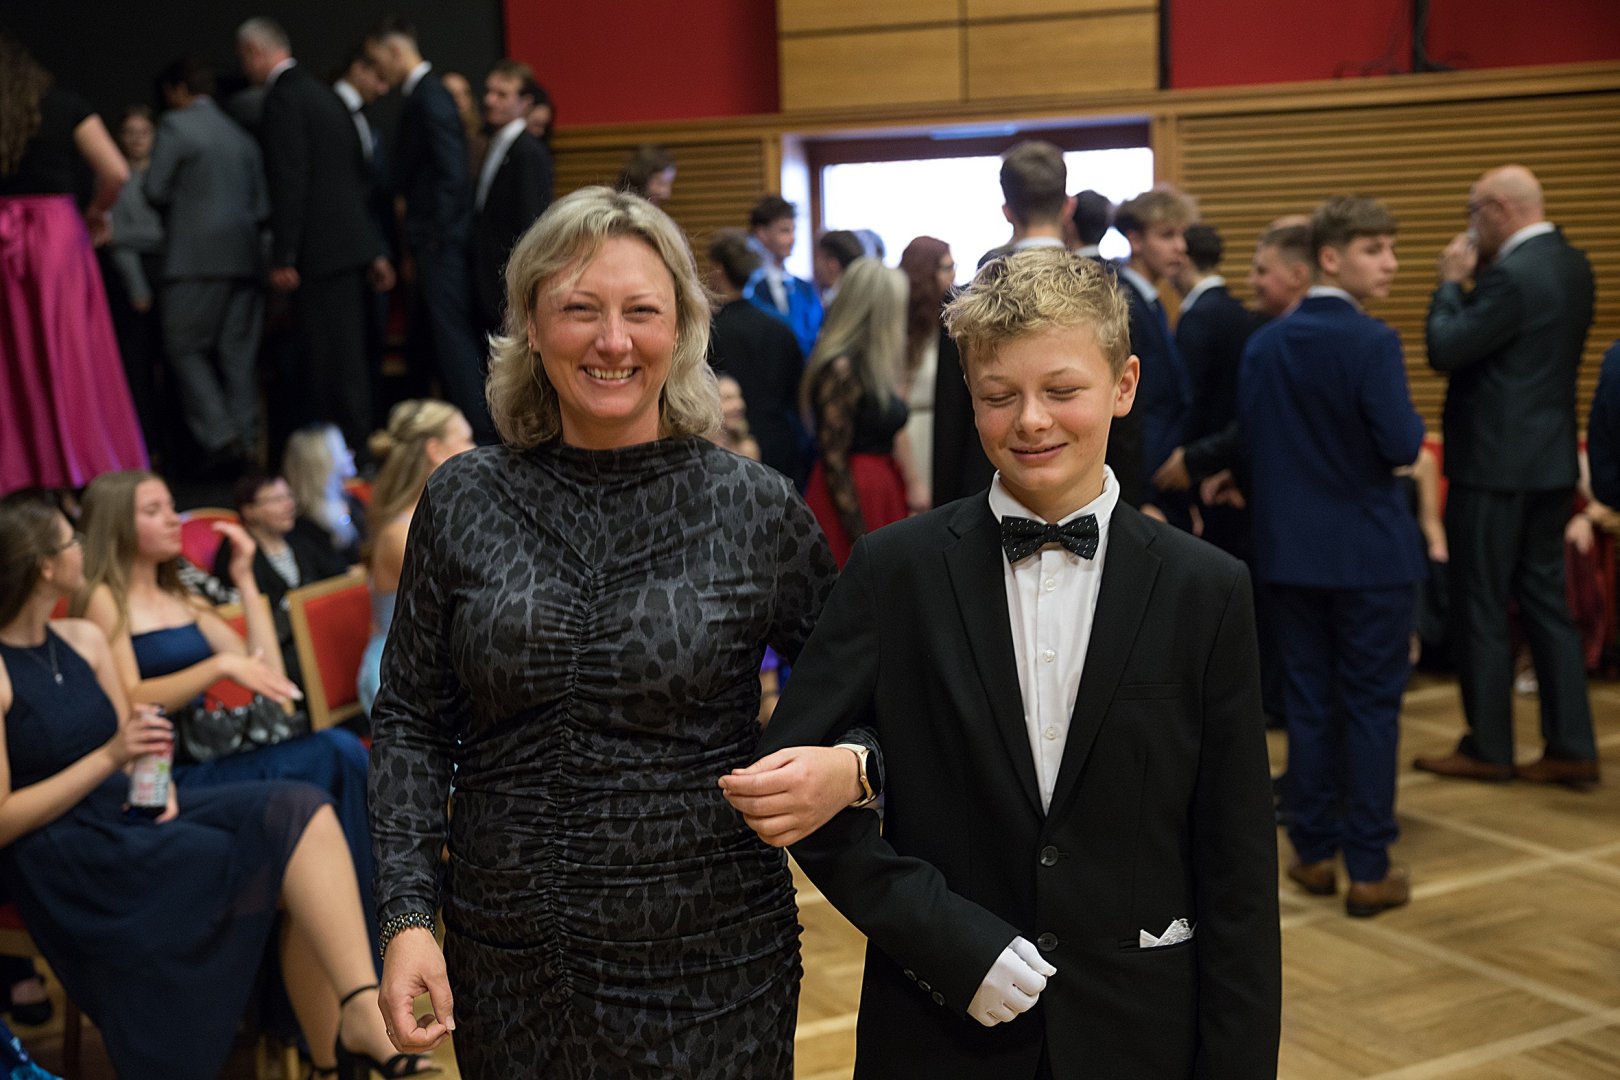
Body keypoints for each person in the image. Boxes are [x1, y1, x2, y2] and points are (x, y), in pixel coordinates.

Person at [723, 248, 1280, 1078]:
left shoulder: (1208, 588)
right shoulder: (895, 571)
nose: (1031, 421)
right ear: (968, 394)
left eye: (1063, 390)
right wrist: (941, 936)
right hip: (937, 1030)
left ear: (1124, 385)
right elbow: (791, 785)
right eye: (998, 396)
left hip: (1141, 1030)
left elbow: (1239, 866)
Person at [369, 186, 862, 1076]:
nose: (612, 341)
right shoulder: (463, 498)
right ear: (530, 323)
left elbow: (866, 698)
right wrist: (407, 917)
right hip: (506, 967)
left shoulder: (754, 508)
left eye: (641, 311)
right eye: (579, 310)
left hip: (711, 966)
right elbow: (409, 719)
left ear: (682, 328)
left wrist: (849, 769)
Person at [0, 491, 434, 1080]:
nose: (81, 547)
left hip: (130, 809)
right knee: (293, 827)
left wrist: (148, 780)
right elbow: (5, 817)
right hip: (66, 854)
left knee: (304, 809)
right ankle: (328, 1047)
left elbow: (134, 741)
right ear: (44, 566)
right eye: (68, 540)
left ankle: (351, 1020)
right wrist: (112, 756)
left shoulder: (81, 638)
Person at [72, 471, 380, 945]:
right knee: (336, 754)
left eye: (170, 506)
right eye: (153, 511)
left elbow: (265, 671)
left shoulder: (179, 594)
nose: (173, 520)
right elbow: (129, 696)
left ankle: (358, 928)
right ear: (116, 525)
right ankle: (361, 935)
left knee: (339, 755)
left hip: (213, 752)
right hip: (167, 769)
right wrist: (216, 668)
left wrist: (244, 579)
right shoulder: (102, 599)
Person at [1239, 196, 1424, 916]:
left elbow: (1255, 450)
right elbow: (1402, 444)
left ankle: (1313, 854)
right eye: (1375, 250)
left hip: (1290, 557)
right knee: (1372, 709)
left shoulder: (1266, 345)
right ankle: (1369, 867)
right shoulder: (1373, 343)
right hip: (1372, 557)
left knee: (1309, 705)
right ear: (1330, 257)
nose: (1391, 264)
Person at [1416, 164, 1600, 787]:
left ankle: (1489, 747)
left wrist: (1450, 285)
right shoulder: (1573, 264)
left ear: (1498, 209)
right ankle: (1572, 744)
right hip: (1550, 464)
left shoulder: (1512, 276)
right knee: (1548, 605)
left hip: (1494, 468)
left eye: (1473, 212)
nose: (1470, 227)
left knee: (1482, 605)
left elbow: (1446, 347)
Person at [239, 17, 394, 466]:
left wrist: (284, 253)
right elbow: (353, 181)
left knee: (327, 363)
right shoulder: (326, 97)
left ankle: (343, 458)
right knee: (347, 359)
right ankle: (356, 449)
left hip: (319, 253)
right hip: (348, 248)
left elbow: (289, 178)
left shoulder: (284, 98)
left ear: (254, 53)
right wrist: (371, 248)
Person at [0, 30, 146, 494]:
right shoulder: (62, 104)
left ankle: (22, 471)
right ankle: (83, 463)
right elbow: (116, 171)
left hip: (5, 233)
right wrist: (97, 211)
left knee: (12, 357)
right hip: (56, 234)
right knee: (71, 349)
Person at [366, 15, 493, 443]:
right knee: (434, 341)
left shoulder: (428, 96)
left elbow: (451, 173)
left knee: (451, 340)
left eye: (378, 59)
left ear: (394, 51)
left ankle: (479, 437)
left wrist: (437, 235)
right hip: (435, 241)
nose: (378, 69)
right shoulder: (425, 95)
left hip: (439, 243)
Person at [145, 57, 268, 477]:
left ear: (177, 90)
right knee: (238, 355)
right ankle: (246, 441)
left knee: (182, 346)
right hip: (245, 259)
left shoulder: (175, 125)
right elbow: (261, 206)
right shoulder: (242, 136)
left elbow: (154, 188)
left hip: (192, 261)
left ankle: (220, 436)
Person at [801, 258, 924, 566]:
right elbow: (833, 457)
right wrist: (859, 535)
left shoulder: (872, 365)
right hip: (852, 497)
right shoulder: (842, 369)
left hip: (879, 487)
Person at [354, 400, 474, 717]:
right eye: (466, 439)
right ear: (435, 450)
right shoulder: (399, 533)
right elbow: (464, 598)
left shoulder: (448, 511)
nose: (474, 449)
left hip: (443, 659)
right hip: (401, 669)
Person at [213, 472, 351, 692]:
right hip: (275, 652)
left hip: (320, 636)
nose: (289, 505)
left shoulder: (302, 536)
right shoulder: (236, 553)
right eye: (277, 500)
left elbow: (338, 576)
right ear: (249, 510)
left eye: (289, 496)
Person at [1113, 187, 1196, 521]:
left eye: (1181, 235)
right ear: (1135, 240)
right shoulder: (1125, 301)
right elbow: (1127, 409)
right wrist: (1139, 498)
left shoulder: (1152, 301)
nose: (1180, 247)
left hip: (1162, 478)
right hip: (1141, 485)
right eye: (1167, 235)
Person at [705, 228, 808, 485]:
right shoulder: (781, 326)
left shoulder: (709, 332)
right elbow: (797, 393)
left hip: (730, 445)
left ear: (718, 269)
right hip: (782, 442)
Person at [471, 59, 554, 338]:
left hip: (506, 284)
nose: (489, 100)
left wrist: (520, 292)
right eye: (489, 91)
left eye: (502, 94)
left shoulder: (528, 152)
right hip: (485, 280)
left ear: (525, 103)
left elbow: (532, 226)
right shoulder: (496, 144)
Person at [105, 105, 166, 459]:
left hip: (166, 275)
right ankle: (145, 447)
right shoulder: (115, 177)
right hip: (131, 283)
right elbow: (114, 239)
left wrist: (124, 236)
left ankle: (172, 448)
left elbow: (162, 235)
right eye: (130, 133)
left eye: (143, 132)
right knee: (137, 369)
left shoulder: (164, 175)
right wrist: (138, 286)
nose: (136, 140)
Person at [898, 235, 956, 502]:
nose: (954, 275)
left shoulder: (946, 322)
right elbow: (898, 406)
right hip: (917, 435)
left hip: (944, 430)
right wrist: (914, 481)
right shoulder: (906, 331)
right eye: (947, 267)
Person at [743, 193, 822, 358]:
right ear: (762, 233)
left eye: (794, 230)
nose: (792, 239)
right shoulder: (747, 286)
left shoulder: (805, 288)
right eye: (785, 231)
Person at [282, 422, 366, 567]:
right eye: (342, 448)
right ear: (321, 462)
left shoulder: (353, 503)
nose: (350, 453)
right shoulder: (299, 525)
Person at [812, 229, 864, 303]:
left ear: (832, 263)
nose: (816, 265)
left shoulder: (836, 303)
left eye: (817, 257)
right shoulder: (861, 295)